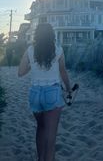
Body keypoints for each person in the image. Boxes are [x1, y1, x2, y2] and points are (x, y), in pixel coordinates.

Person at [18, 23, 71, 161]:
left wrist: (32, 65)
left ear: (37, 35)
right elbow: (63, 72)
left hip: (35, 95)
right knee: (51, 137)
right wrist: (69, 88)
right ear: (51, 34)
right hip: (52, 94)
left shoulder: (30, 50)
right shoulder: (58, 50)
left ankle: (40, 158)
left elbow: (20, 72)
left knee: (40, 127)